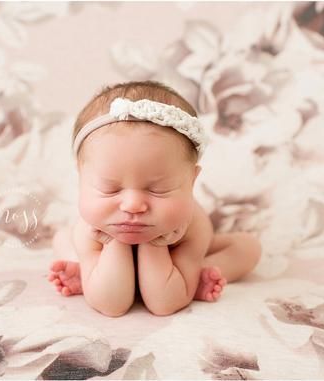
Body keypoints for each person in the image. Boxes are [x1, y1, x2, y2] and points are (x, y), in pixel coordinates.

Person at [48, 81, 261, 317]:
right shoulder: (90, 227)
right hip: (103, 248)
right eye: (110, 189)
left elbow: (164, 304)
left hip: (175, 257)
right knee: (62, 238)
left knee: (248, 248)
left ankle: (191, 274)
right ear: (81, 176)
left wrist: (158, 244)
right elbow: (112, 305)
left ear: (191, 180)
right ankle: (89, 272)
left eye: (158, 190)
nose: (132, 206)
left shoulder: (192, 226)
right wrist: (113, 243)